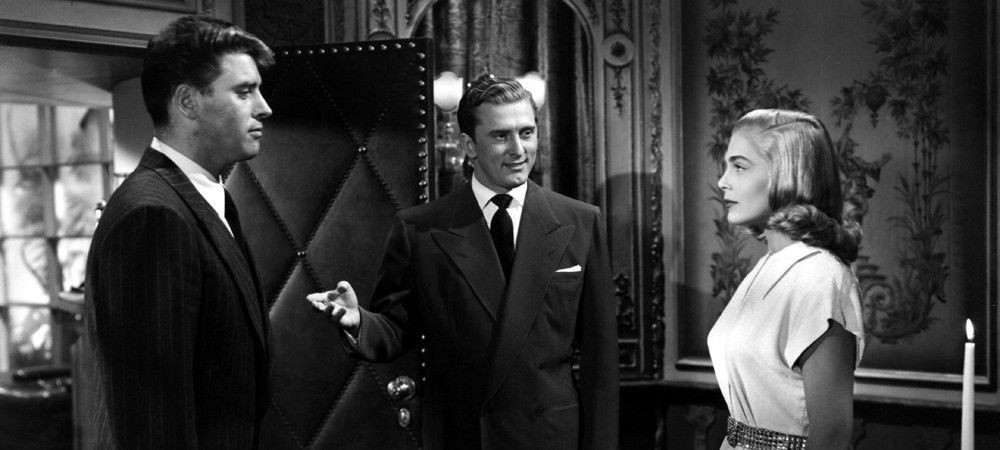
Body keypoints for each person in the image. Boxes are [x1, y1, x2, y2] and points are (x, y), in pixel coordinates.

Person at [308, 74, 619, 450]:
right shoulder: (421, 229)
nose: (518, 149)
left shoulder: (581, 222)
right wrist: (359, 322)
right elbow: (395, 328)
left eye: (527, 133)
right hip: (465, 436)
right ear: (469, 146)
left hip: (550, 436)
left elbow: (601, 364)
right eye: (501, 136)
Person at [81, 15, 273, 449]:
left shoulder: (202, 196)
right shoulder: (153, 215)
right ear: (187, 102)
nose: (264, 107)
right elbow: (154, 421)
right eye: (244, 91)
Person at [707, 109, 866, 449]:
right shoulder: (769, 266)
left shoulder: (820, 276)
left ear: (787, 173)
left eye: (739, 166)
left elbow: (832, 434)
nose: (723, 181)